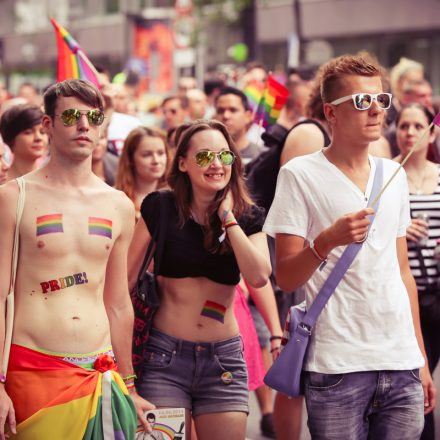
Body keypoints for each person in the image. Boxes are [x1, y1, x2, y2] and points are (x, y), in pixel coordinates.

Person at [264, 53, 436, 439]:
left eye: (381, 100)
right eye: (362, 101)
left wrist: (421, 359)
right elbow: (287, 276)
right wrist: (327, 240)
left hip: (400, 359)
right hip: (337, 364)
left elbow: (402, 273)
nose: (376, 110)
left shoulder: (393, 173)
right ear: (331, 112)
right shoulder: (299, 175)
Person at [0, 79, 153, 439]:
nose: (83, 125)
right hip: (31, 371)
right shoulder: (12, 197)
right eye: (70, 116)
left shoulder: (117, 204)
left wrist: (129, 386)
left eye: (93, 117)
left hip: (101, 374)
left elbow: (118, 303)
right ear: (48, 125)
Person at [128, 119, 271, 440]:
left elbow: (260, 276)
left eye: (225, 156)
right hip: (164, 358)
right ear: (182, 163)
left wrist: (228, 219)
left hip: (223, 361)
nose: (217, 164)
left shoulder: (248, 215)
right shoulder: (160, 207)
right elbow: (125, 280)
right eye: (205, 157)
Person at [394, 103, 440, 440]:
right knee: (414, 378)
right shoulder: (386, 176)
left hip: (438, 292)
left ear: (432, 132)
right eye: (403, 126)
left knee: (426, 374)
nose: (409, 133)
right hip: (401, 294)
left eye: (417, 126)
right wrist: (400, 227)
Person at [115, 126, 169, 220]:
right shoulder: (114, 198)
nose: (156, 160)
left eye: (160, 153)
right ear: (130, 159)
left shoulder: (176, 197)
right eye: (146, 155)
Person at [215, 87, 265, 165]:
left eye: (233, 110)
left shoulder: (262, 157)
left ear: (248, 116)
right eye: (220, 111)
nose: (226, 116)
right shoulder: (208, 157)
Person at [0, 104, 48, 180]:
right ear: (11, 138)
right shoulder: (2, 182)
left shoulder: (53, 180)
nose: (38, 138)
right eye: (28, 132)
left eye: (42, 132)